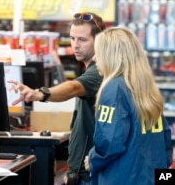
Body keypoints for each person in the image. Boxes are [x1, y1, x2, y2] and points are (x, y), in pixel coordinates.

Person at [9, 12, 106, 184]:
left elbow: (73, 87)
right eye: (72, 38)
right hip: (84, 171)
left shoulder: (96, 73)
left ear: (99, 42)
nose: (75, 45)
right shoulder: (93, 69)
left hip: (90, 174)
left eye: (82, 40)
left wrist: (41, 94)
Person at [84, 27, 173, 185]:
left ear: (112, 56)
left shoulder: (114, 88)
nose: (95, 59)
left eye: (99, 53)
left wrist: (92, 159)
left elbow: (110, 142)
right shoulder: (148, 89)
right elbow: (166, 141)